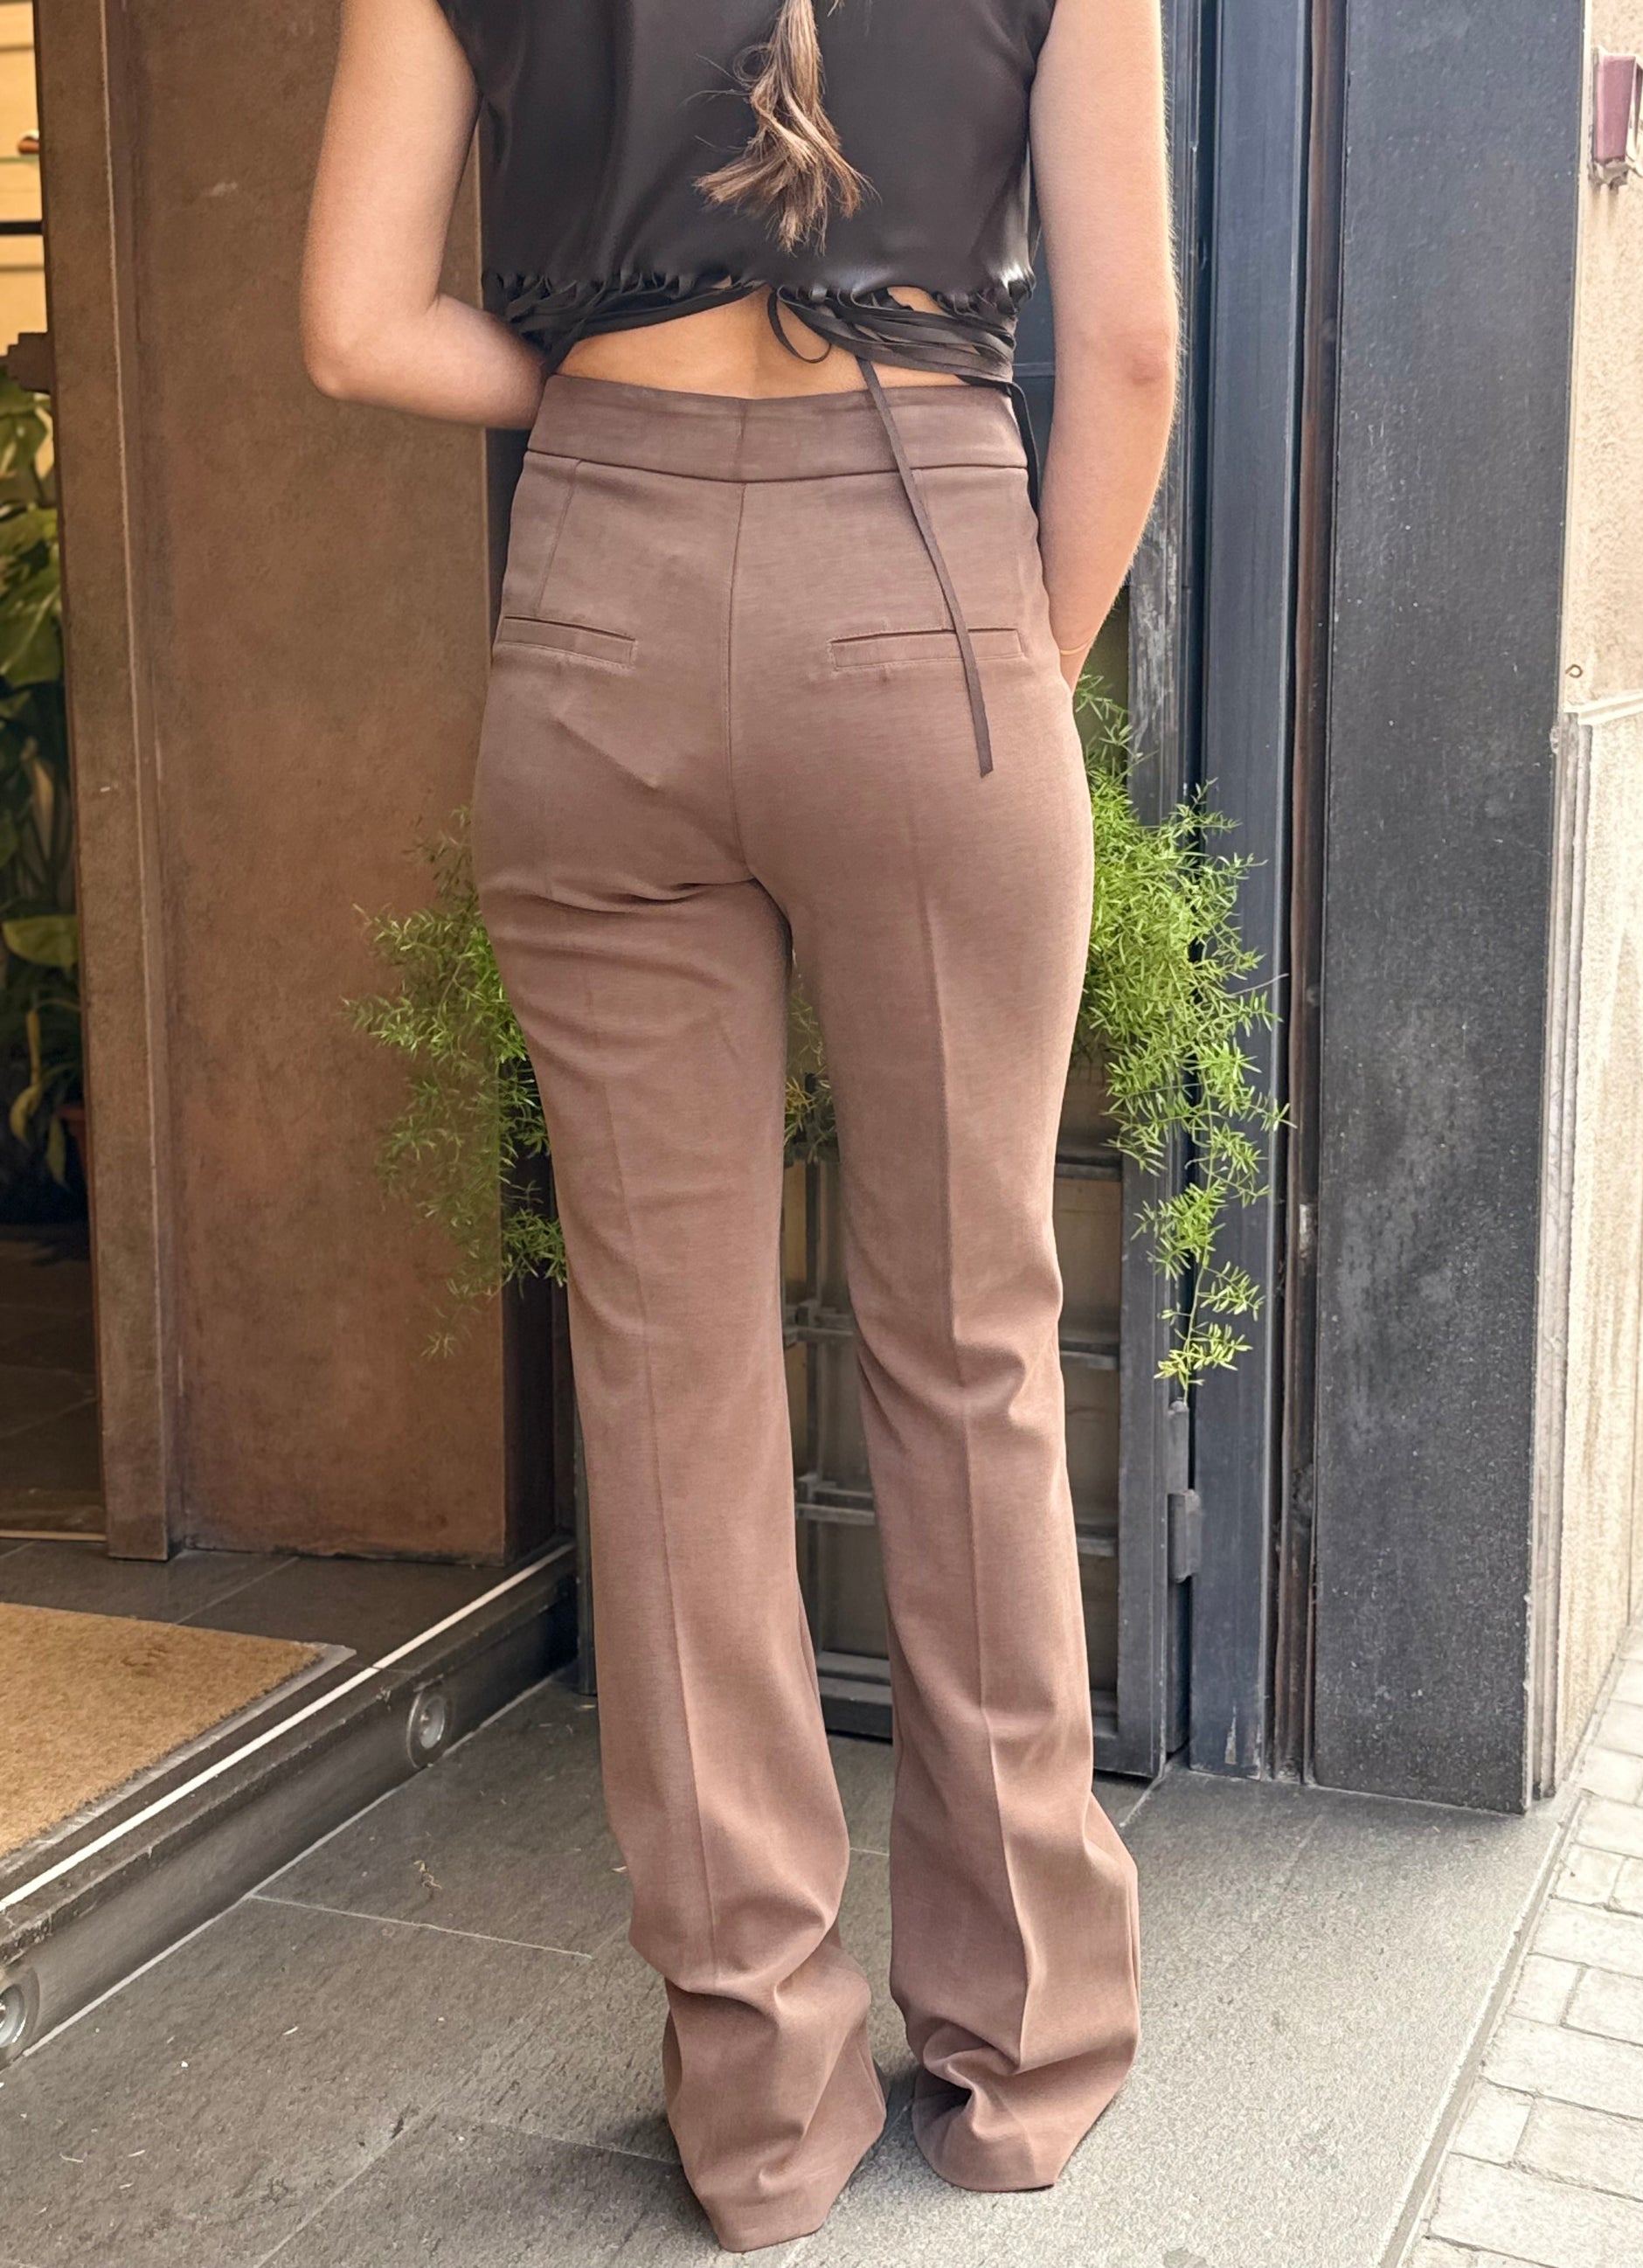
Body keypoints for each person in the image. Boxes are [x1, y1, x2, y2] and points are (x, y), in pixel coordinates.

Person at [302, 0, 1179, 2249]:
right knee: (970, 1342)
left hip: (598, 618)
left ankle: (760, 2106)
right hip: (925, 576)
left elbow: (357, 325)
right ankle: (1021, 2053)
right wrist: (1008, 670)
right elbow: (1130, 351)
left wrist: (607, 401)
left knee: (670, 1379)